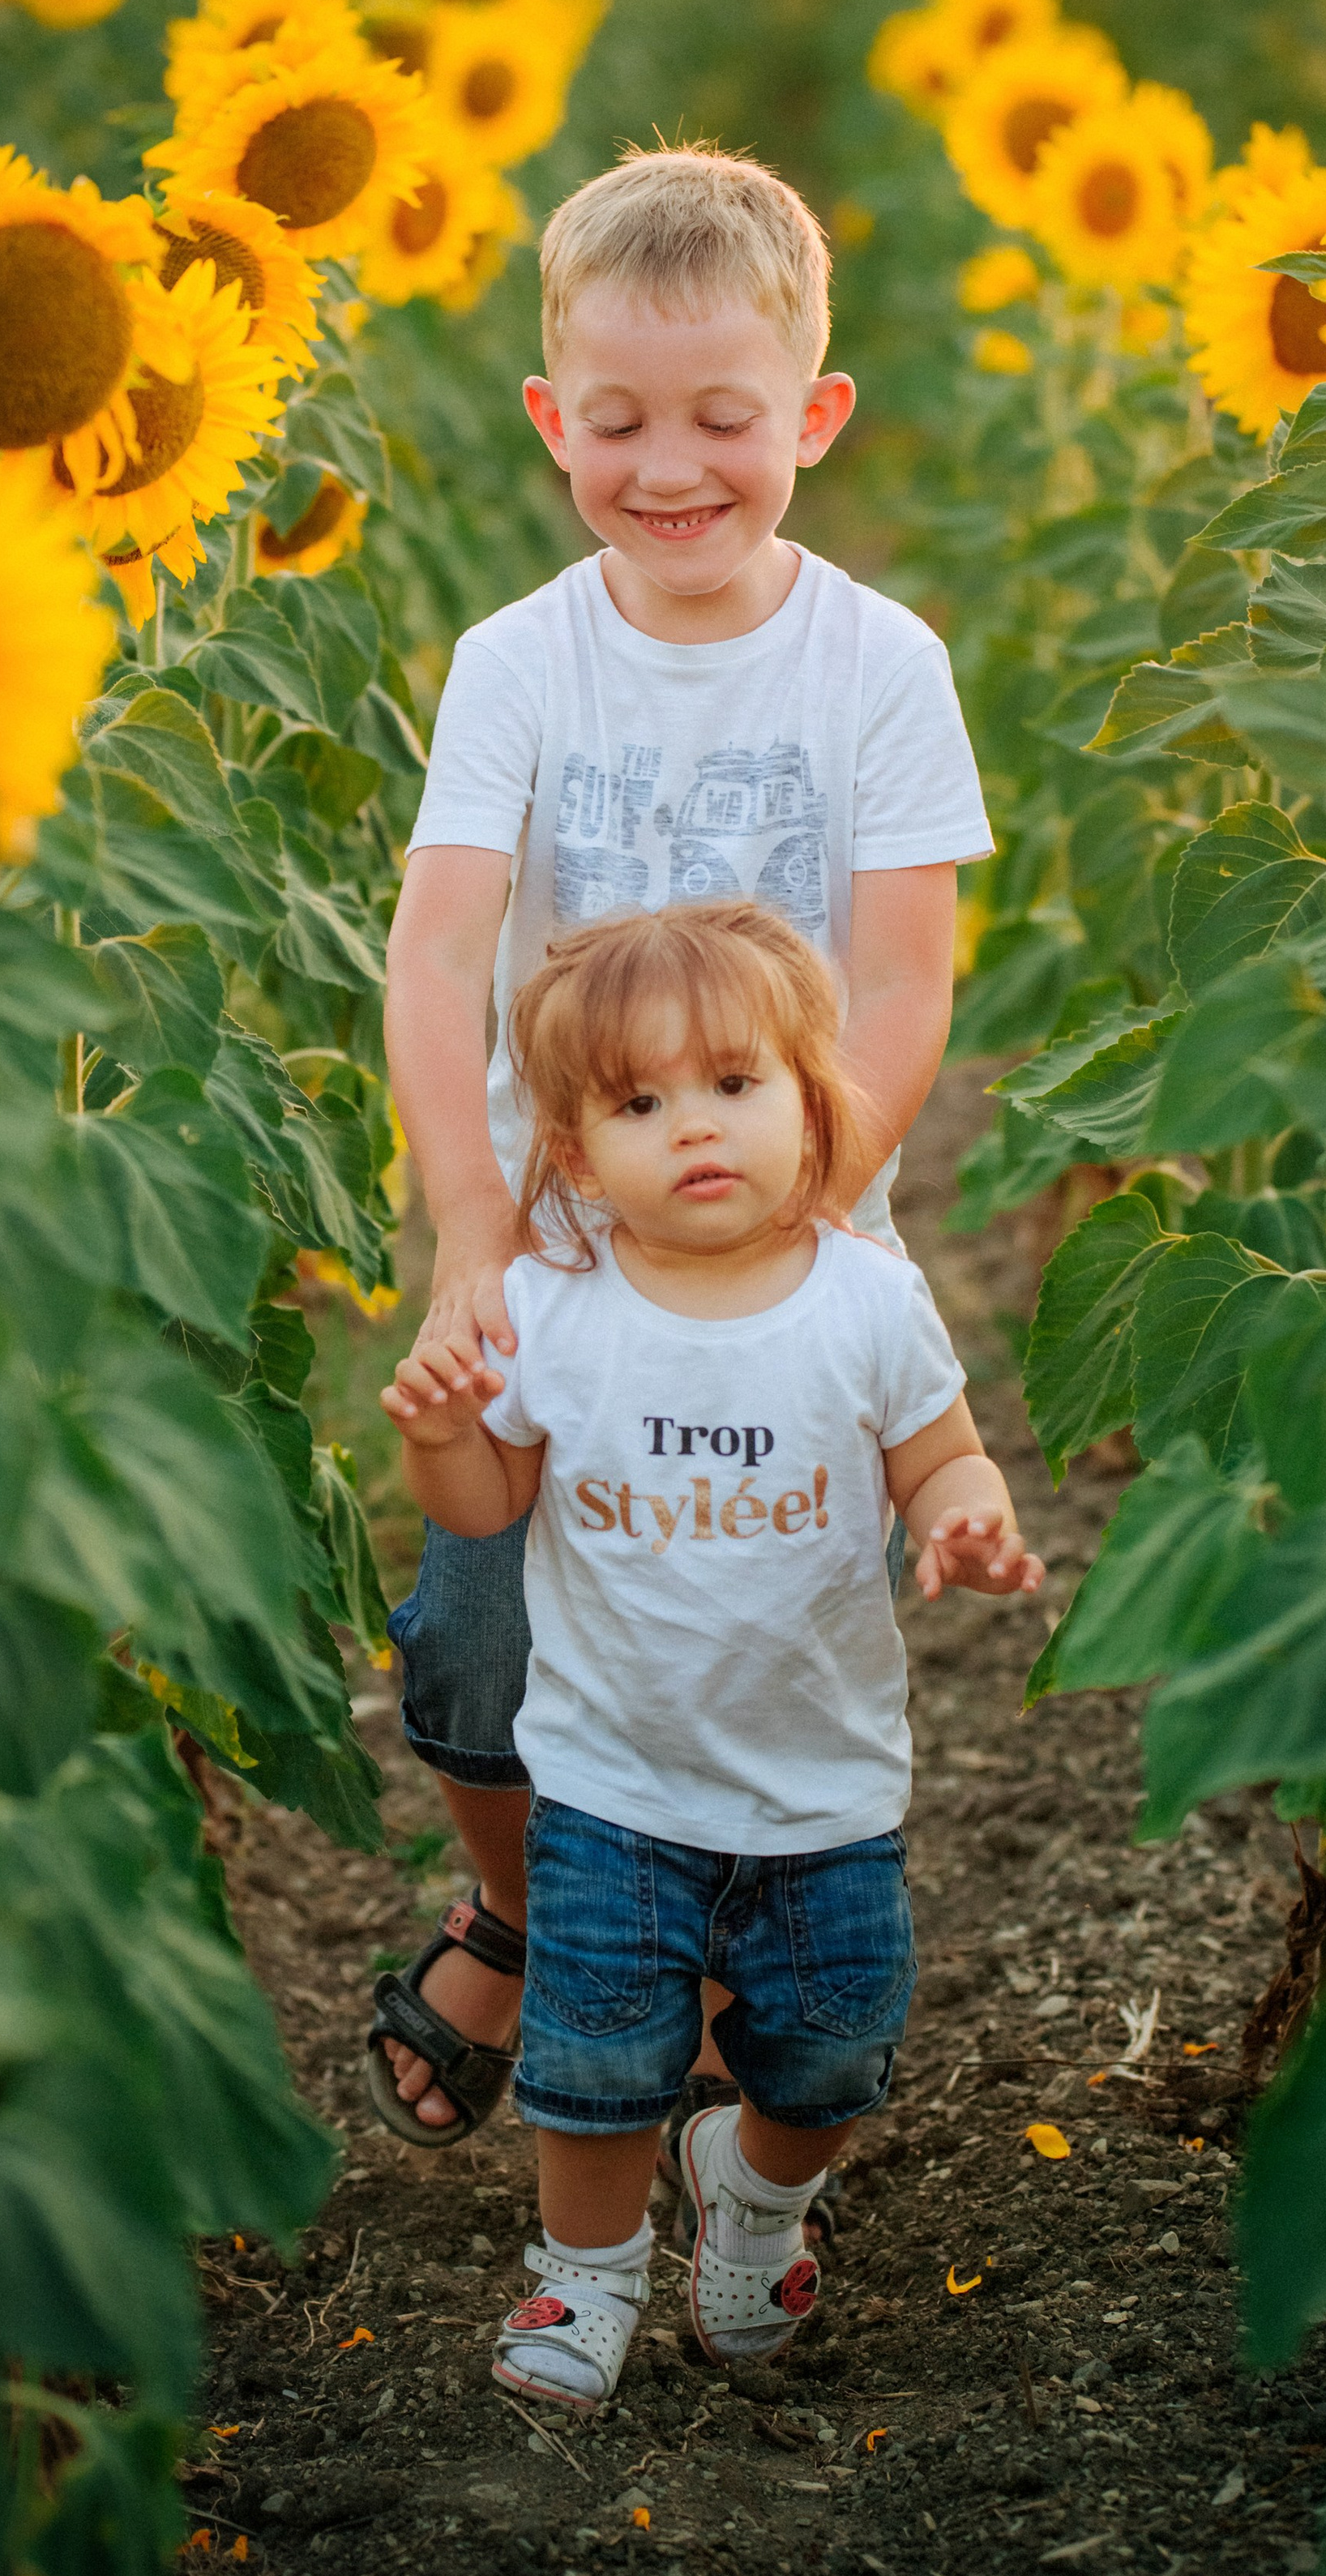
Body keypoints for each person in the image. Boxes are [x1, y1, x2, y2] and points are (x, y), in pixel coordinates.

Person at [369, 139, 995, 2157]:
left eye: (722, 420)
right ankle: (536, 1906)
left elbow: (900, 982)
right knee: (476, 1618)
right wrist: (473, 1227)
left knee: (738, 1618)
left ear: (809, 415)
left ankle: (720, 1960)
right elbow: (441, 940)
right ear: (553, 419)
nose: (670, 467)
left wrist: (814, 1195)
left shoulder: (876, 667)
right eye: (618, 420)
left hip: (790, 1249)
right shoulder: (519, 662)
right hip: (558, 1246)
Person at [379, 903, 1044, 2407]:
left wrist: (968, 1519)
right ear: (569, 1149)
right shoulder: (556, 1312)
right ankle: (585, 2278)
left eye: (734, 1085)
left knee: (830, 2052)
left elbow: (939, 1454)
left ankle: (751, 2193)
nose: (696, 1129)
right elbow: (491, 1502)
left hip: (822, 1788)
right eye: (638, 1103)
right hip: (617, 1779)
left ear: (815, 1097)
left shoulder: (869, 1301)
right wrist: (437, 1436)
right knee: (594, 2059)